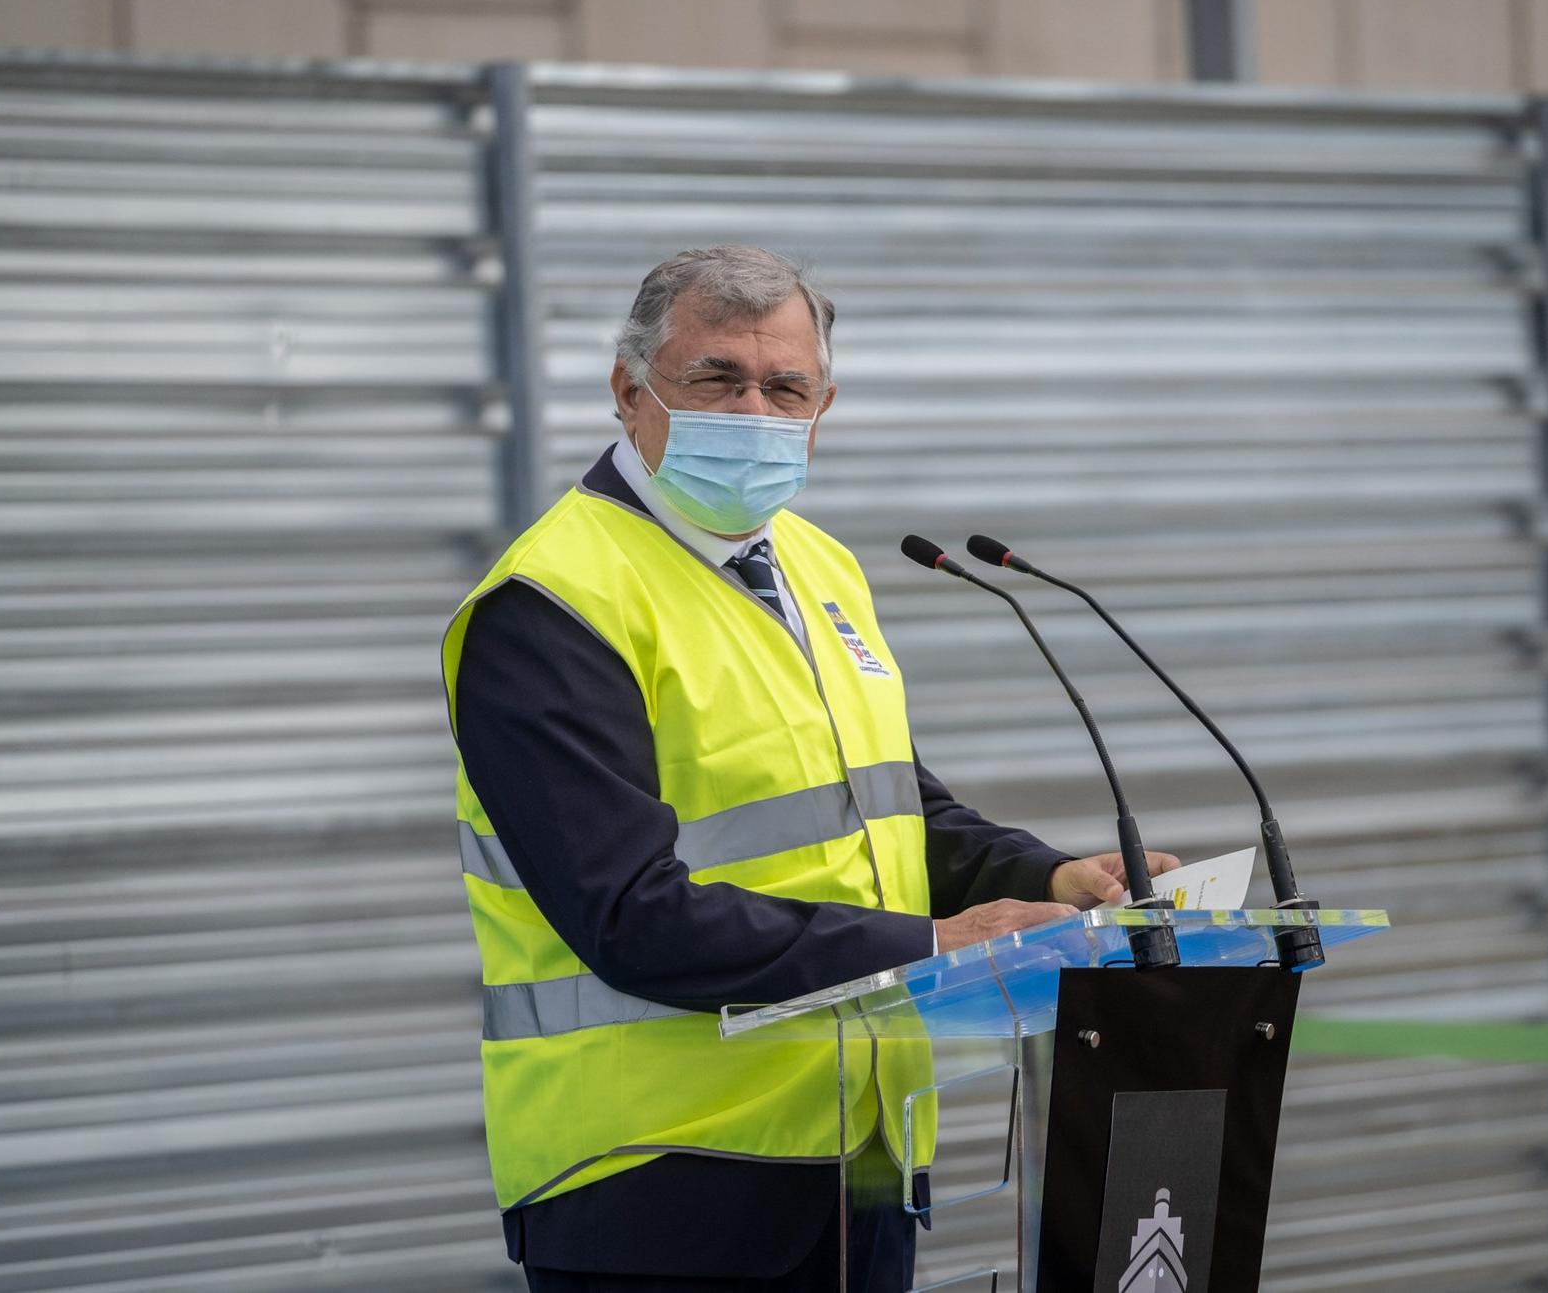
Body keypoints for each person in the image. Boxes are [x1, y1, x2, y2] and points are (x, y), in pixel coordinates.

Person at [441, 245, 1176, 1292]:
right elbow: (626, 915)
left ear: (821, 406)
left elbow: (889, 808)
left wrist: (1047, 878)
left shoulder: (816, 566)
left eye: (784, 387)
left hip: (857, 1160)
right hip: (657, 1184)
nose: (753, 410)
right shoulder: (552, 604)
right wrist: (933, 942)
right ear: (627, 391)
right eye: (715, 379)